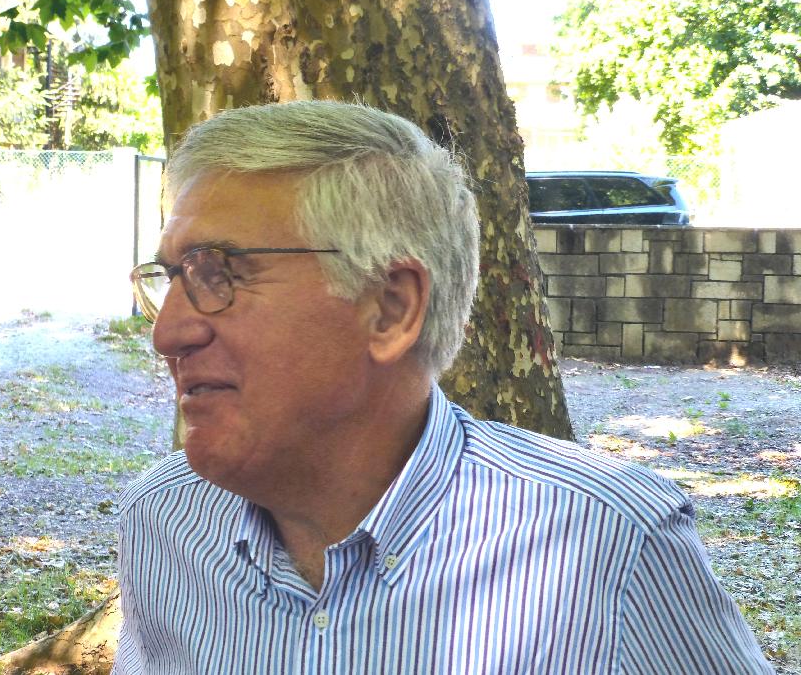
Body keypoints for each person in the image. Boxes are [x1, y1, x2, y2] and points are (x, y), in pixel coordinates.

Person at [112, 101, 772, 674]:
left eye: (218, 275)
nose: (167, 334)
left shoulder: (609, 541)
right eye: (170, 279)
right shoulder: (164, 522)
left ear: (391, 308)